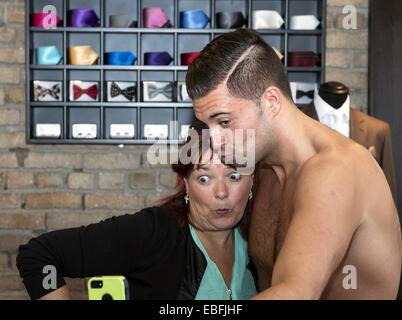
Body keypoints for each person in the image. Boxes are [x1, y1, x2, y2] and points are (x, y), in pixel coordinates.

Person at [186, 28, 402, 299]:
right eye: (207, 125)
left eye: (225, 122)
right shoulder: (262, 170)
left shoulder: (336, 169)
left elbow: (295, 293)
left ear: (272, 102)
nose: (214, 141)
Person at [16, 121, 257, 300]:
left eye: (234, 176)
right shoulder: (155, 232)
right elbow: (39, 255)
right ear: (186, 183)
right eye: (204, 178)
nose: (222, 192)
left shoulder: (261, 237)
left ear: (252, 180)